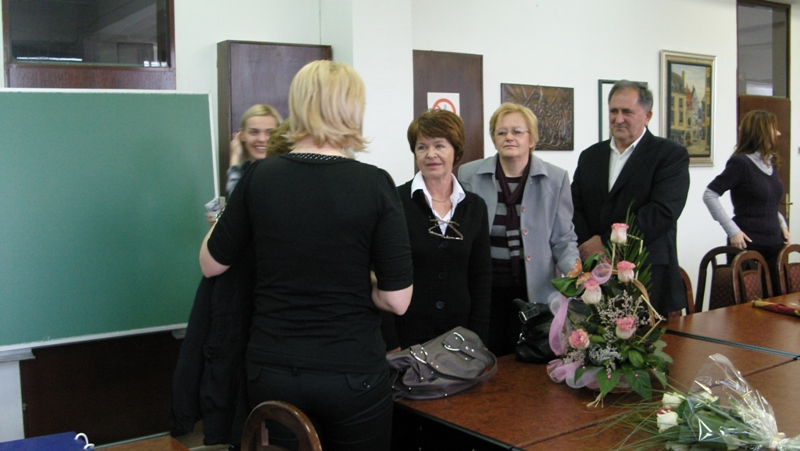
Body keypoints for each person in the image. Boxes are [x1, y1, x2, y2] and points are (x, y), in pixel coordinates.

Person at [199, 60, 413, 451]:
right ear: (352, 108)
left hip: (273, 369)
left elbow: (210, 263)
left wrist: (230, 208)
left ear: (298, 104)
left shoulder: (259, 177)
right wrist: (359, 284)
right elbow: (397, 300)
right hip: (352, 373)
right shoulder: (375, 184)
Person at [458, 103, 580, 356]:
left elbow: (563, 238)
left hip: (533, 290)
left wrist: (573, 268)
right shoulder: (469, 174)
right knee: (485, 356)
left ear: (532, 139)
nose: (509, 137)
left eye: (517, 131)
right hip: (485, 289)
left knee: (529, 361)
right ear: (494, 139)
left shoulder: (556, 178)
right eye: (501, 132)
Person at [571, 80, 690, 317]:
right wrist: (588, 244)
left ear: (647, 116)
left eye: (627, 112)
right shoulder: (591, 156)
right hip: (594, 274)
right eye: (613, 111)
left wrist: (607, 242)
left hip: (647, 275)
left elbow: (661, 212)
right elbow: (574, 206)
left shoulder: (669, 155)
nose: (618, 119)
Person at [382, 109, 491, 352]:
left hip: (461, 338)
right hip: (407, 337)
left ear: (456, 150)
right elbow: (382, 275)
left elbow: (481, 278)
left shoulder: (475, 207)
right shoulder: (395, 202)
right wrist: (390, 341)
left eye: (439, 145)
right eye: (422, 147)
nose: (430, 154)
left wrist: (479, 338)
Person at [704, 110, 790, 290]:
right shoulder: (740, 163)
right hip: (749, 244)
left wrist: (782, 225)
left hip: (775, 244)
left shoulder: (771, 162)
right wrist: (732, 230)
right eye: (774, 129)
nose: (778, 133)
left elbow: (770, 202)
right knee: (751, 301)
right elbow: (710, 194)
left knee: (777, 299)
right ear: (762, 132)